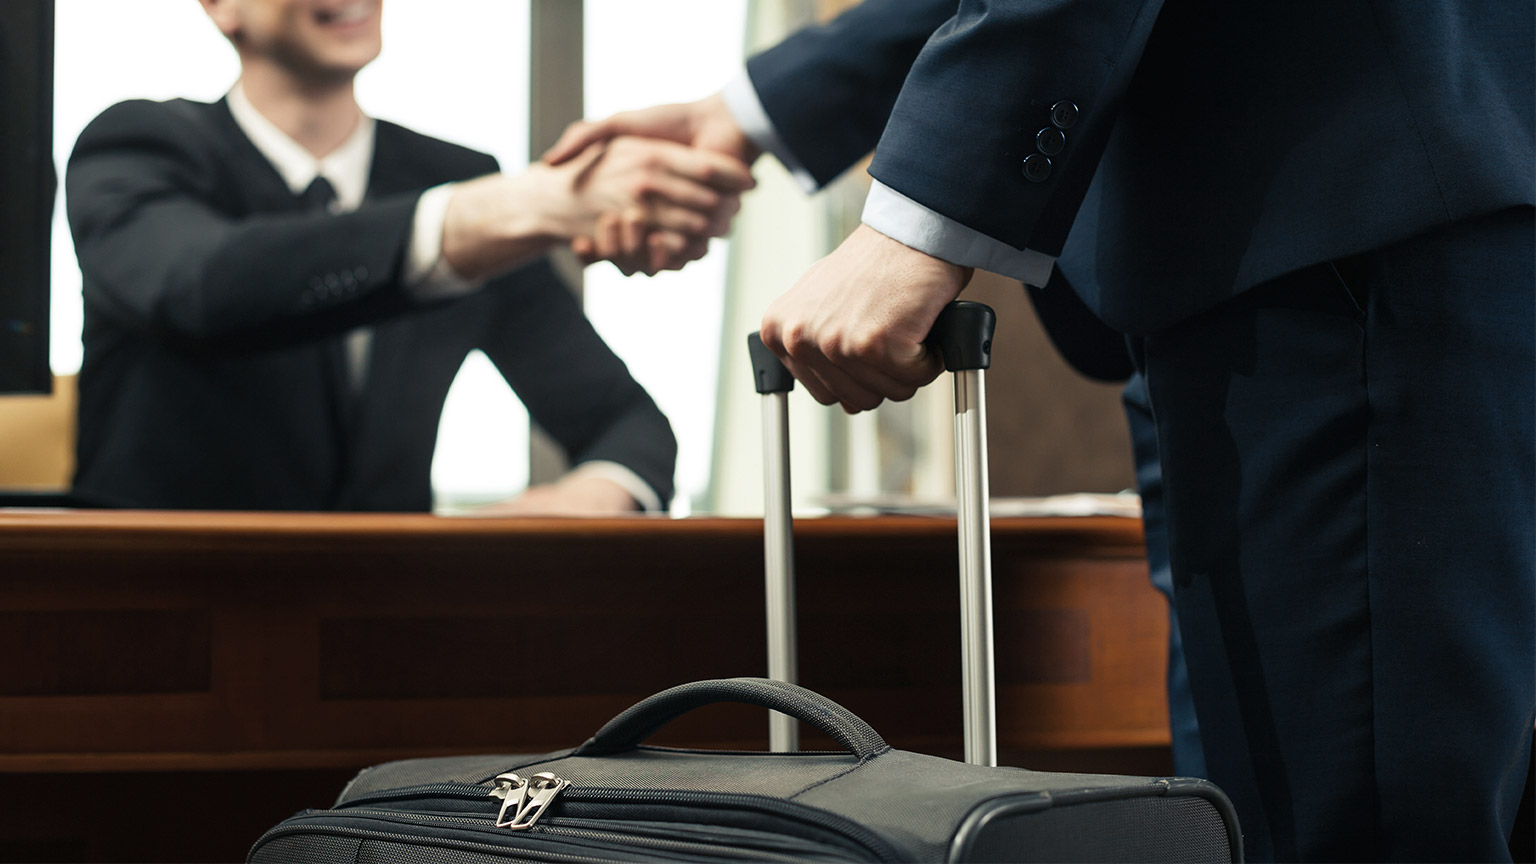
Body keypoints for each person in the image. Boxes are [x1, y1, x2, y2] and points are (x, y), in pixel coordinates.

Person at [544, 0, 1534, 860]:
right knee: (1254, 808)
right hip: (1266, 266)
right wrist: (749, 114)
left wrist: (918, 224)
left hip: (1336, 236)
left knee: (1357, 822)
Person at [64, 0, 755, 514]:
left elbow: (625, 423)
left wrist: (585, 502)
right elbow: (200, 284)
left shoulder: (457, 176)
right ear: (220, 6)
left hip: (382, 635)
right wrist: (515, 208)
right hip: (164, 628)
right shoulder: (137, 147)